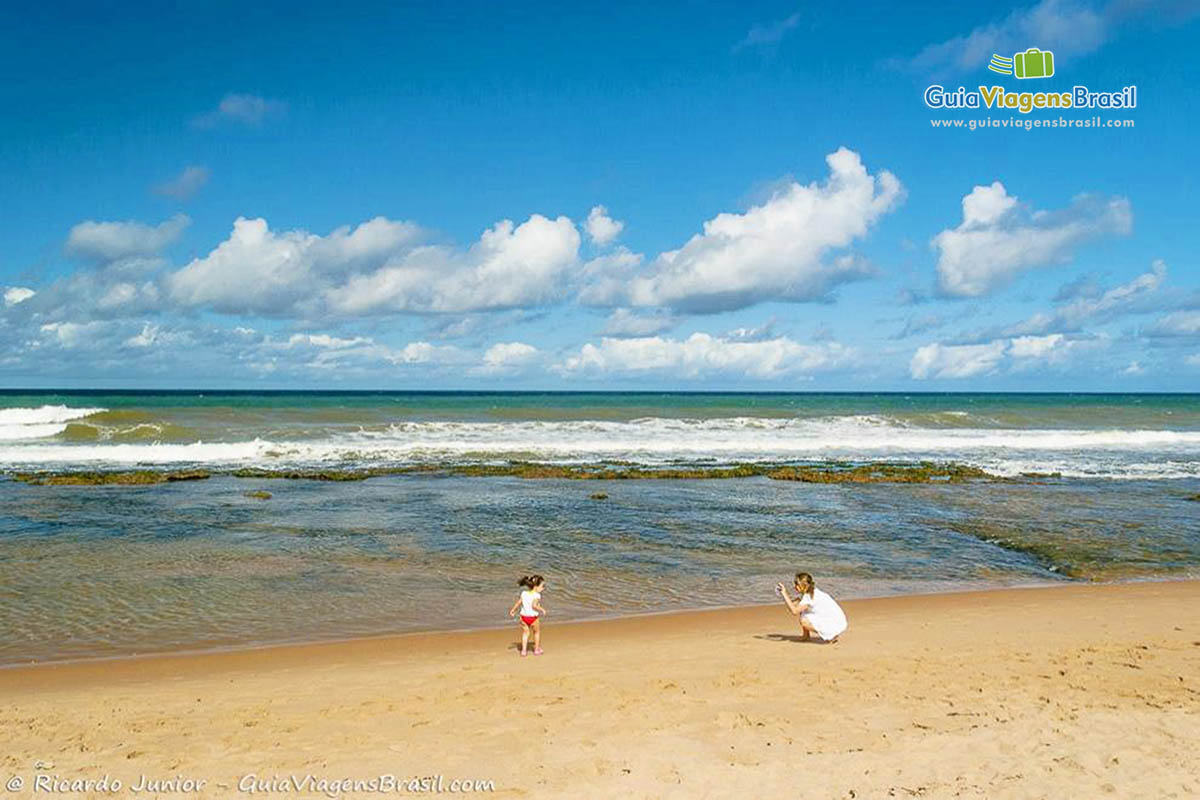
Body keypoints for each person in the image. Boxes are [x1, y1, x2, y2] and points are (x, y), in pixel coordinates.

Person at [776, 572, 847, 643]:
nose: (794, 586)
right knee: (800, 605)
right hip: (837, 619)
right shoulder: (813, 591)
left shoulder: (808, 597)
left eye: (796, 584)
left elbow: (794, 611)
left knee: (803, 621)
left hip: (836, 623)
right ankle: (806, 635)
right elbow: (797, 604)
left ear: (803, 585)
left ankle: (830, 635)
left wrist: (784, 594)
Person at [508, 574, 547, 656]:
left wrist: (513, 610)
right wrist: (542, 609)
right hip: (533, 618)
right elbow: (534, 605)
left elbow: (519, 602)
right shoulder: (537, 595)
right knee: (536, 633)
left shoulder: (524, 593)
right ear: (536, 586)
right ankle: (536, 650)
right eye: (542, 586)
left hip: (523, 617)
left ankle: (524, 651)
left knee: (525, 633)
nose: (543, 588)